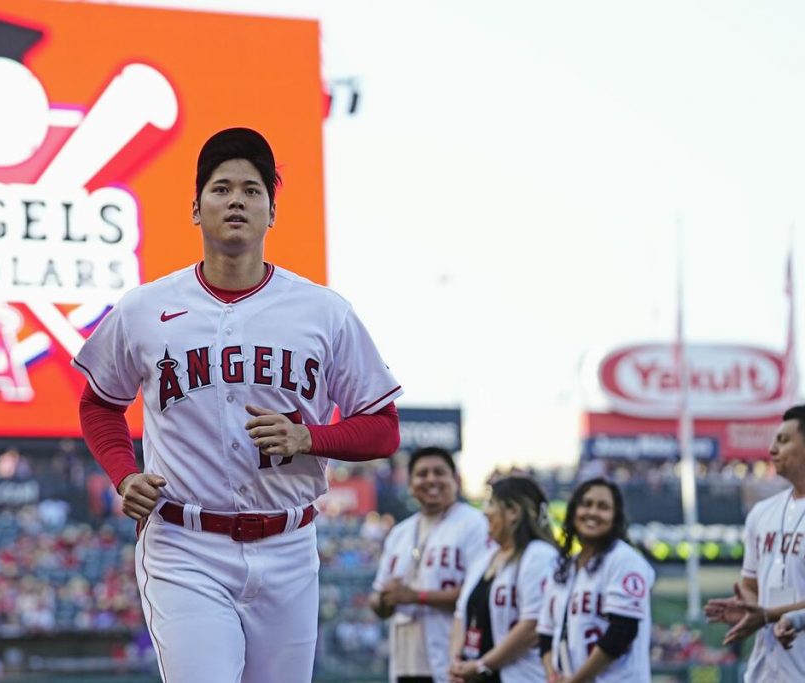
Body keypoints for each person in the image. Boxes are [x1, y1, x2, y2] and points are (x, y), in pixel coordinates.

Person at [73, 127, 402, 683]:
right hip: (185, 544)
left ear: (272, 212)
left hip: (291, 546)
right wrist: (124, 474)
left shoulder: (322, 311)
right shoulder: (145, 308)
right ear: (195, 208)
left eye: (252, 190)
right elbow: (99, 405)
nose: (236, 200)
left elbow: (384, 428)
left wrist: (309, 437)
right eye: (221, 188)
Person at [369, 447, 488, 683]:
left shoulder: (475, 524)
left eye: (439, 472)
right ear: (411, 484)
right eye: (422, 474)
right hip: (405, 661)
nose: (431, 479)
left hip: (454, 659)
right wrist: (384, 600)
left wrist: (417, 596)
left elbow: (481, 596)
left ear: (455, 480)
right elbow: (377, 597)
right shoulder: (400, 533)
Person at [705, 405, 805, 679]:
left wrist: (768, 614)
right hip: (764, 671)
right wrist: (748, 607)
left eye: (783, 440)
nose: (772, 449)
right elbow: (751, 587)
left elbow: (767, 611)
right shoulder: (762, 513)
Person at [536, 478, 655, 683]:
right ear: (573, 512)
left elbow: (622, 632)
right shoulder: (563, 568)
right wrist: (553, 676)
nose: (592, 512)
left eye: (603, 507)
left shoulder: (624, 559)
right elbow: (546, 637)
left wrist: (576, 680)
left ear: (615, 517)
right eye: (586, 504)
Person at [448, 476, 557, 683]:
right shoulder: (486, 558)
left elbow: (533, 625)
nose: (484, 511)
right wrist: (457, 662)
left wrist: (482, 665)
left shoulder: (539, 555)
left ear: (513, 512)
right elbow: (461, 614)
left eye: (490, 503)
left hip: (522, 676)